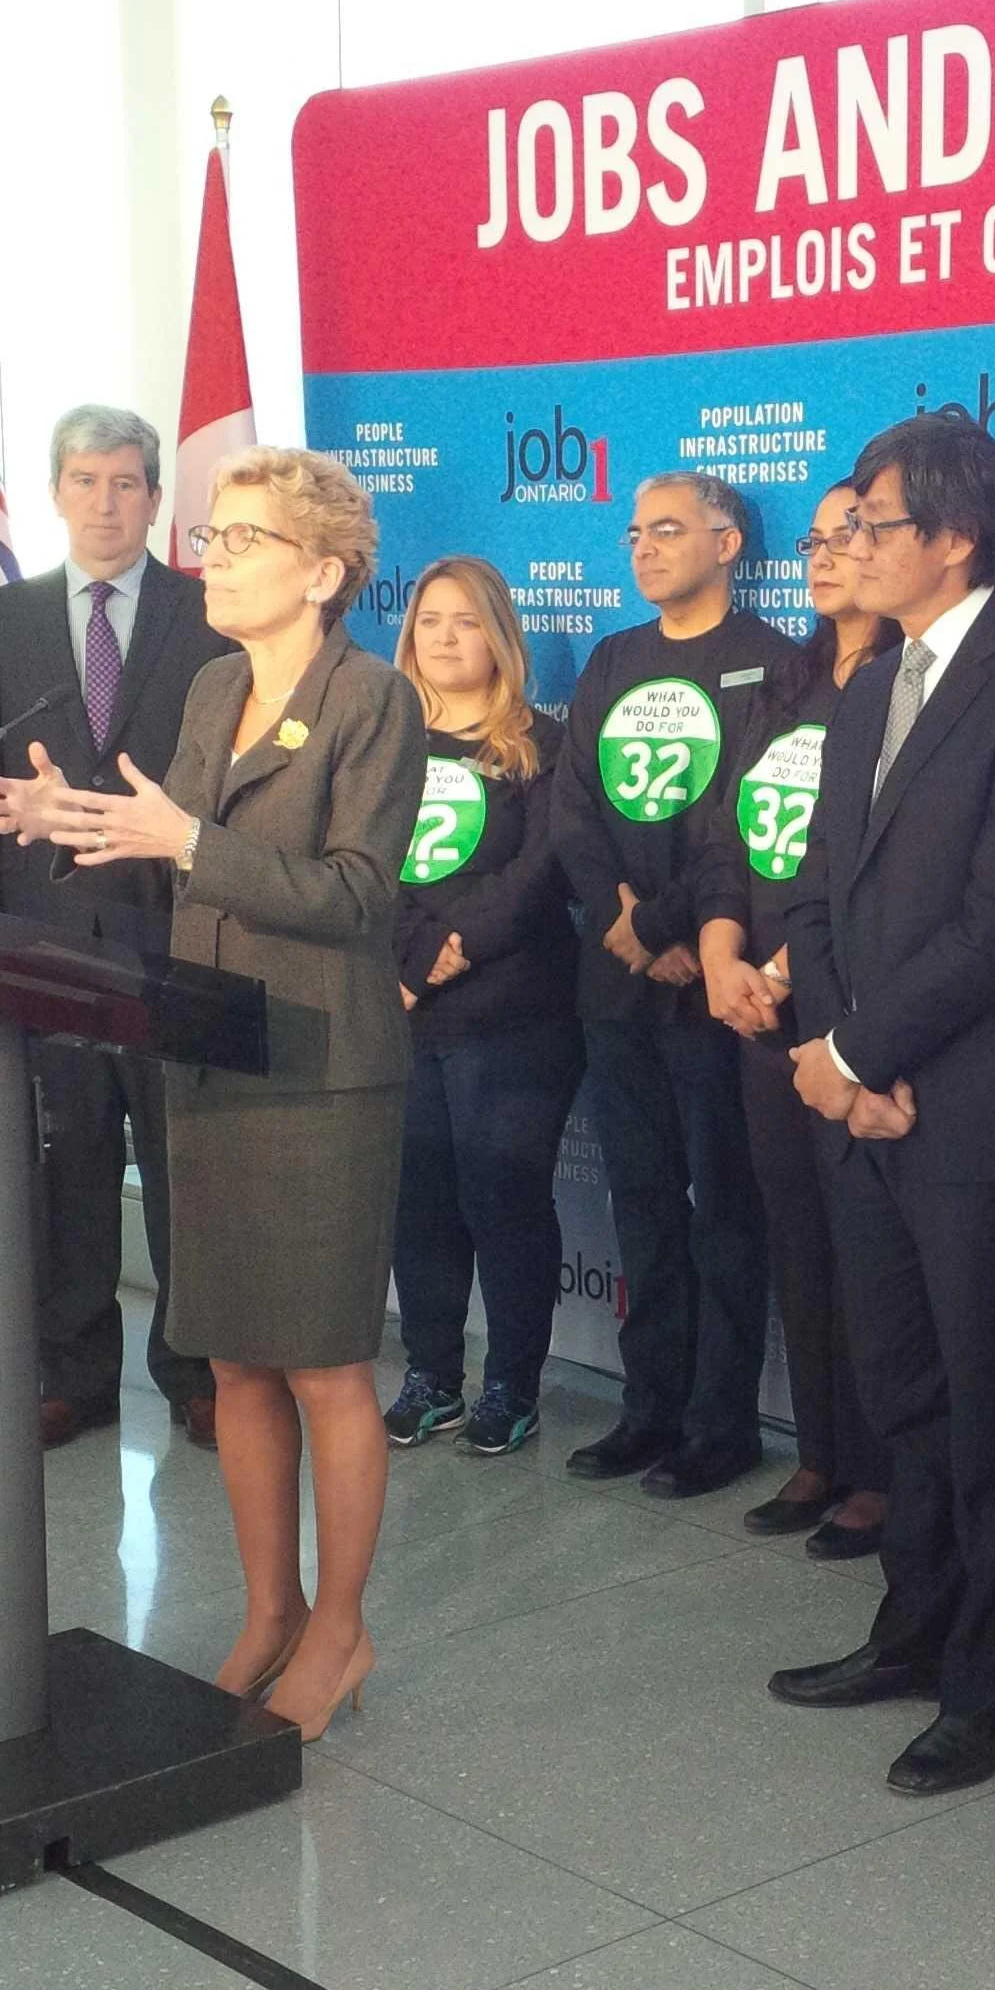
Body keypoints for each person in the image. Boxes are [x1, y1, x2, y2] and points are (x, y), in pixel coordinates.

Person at [0, 446, 423, 1743]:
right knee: (234, 1355)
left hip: (322, 1068)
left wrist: (186, 840)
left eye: (241, 541)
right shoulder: (216, 683)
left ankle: (341, 1633)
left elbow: (355, 894)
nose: (209, 558)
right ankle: (267, 1612)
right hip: (210, 1050)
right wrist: (88, 824)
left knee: (328, 1362)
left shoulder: (371, 700)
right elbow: (182, 869)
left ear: (323, 571)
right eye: (215, 536)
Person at [769, 412, 995, 1798]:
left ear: (954, 537)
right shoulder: (864, 686)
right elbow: (818, 887)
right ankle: (910, 1632)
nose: (849, 546)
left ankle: (991, 1690)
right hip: (871, 1106)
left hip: (981, 1116)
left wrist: (858, 1056)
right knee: (900, 1394)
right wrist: (834, 1052)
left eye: (873, 524)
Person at [0, 405, 231, 1453]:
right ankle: (76, 1374)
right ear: (56, 493)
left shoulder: (208, 615)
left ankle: (195, 1369)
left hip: (174, 938)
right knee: (66, 1166)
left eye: (125, 483)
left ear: (156, 499)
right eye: (85, 481)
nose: (106, 502)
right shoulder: (3, 620)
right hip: (48, 941)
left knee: (179, 1163)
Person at [549, 471, 782, 1500]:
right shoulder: (612, 658)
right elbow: (574, 818)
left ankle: (721, 1423)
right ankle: (649, 1409)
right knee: (642, 1204)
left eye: (669, 530)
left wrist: (676, 930)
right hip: (620, 986)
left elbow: (750, 821)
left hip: (717, 989)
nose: (643, 547)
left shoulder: (777, 666)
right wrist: (630, 931)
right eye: (634, 532)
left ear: (728, 543)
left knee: (724, 1208)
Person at [697, 481, 901, 1559]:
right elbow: (730, 839)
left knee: (867, 1244)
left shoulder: (912, 684)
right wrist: (725, 951)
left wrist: (781, 964)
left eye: (848, 536)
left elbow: (868, 865)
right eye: (815, 542)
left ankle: (881, 1468)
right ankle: (820, 1450)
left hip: (849, 1008)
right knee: (798, 1237)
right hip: (757, 1005)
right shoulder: (782, 681)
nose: (825, 557)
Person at [382, 556, 581, 1458]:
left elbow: (539, 875)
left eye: (465, 621)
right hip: (400, 1009)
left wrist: (444, 952)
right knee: (417, 1203)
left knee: (504, 1199)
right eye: (430, 621)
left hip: (513, 1013)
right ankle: (431, 1377)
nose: (447, 637)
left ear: (498, 634)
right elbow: (354, 864)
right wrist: (412, 959)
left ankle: (511, 1384)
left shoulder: (544, 743)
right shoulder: (379, 742)